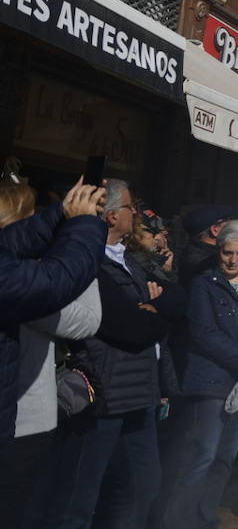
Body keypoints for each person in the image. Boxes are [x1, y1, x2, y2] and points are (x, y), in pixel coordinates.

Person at [33, 178, 187, 529]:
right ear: (112, 216)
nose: (136, 213)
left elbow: (179, 300)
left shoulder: (133, 261)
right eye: (131, 207)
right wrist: (151, 310)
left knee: (140, 486)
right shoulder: (85, 262)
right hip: (102, 394)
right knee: (79, 496)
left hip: (141, 393)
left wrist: (152, 307)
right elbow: (128, 328)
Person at [162, 220, 238, 528]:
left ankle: (204, 515)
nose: (233, 260)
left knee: (226, 456)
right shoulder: (204, 283)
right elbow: (203, 333)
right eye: (228, 253)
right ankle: (177, 520)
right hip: (212, 379)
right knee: (202, 454)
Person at [0, 180, 102, 514]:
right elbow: (74, 307)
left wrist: (62, 215)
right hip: (23, 425)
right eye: (32, 213)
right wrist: (81, 226)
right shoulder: (14, 273)